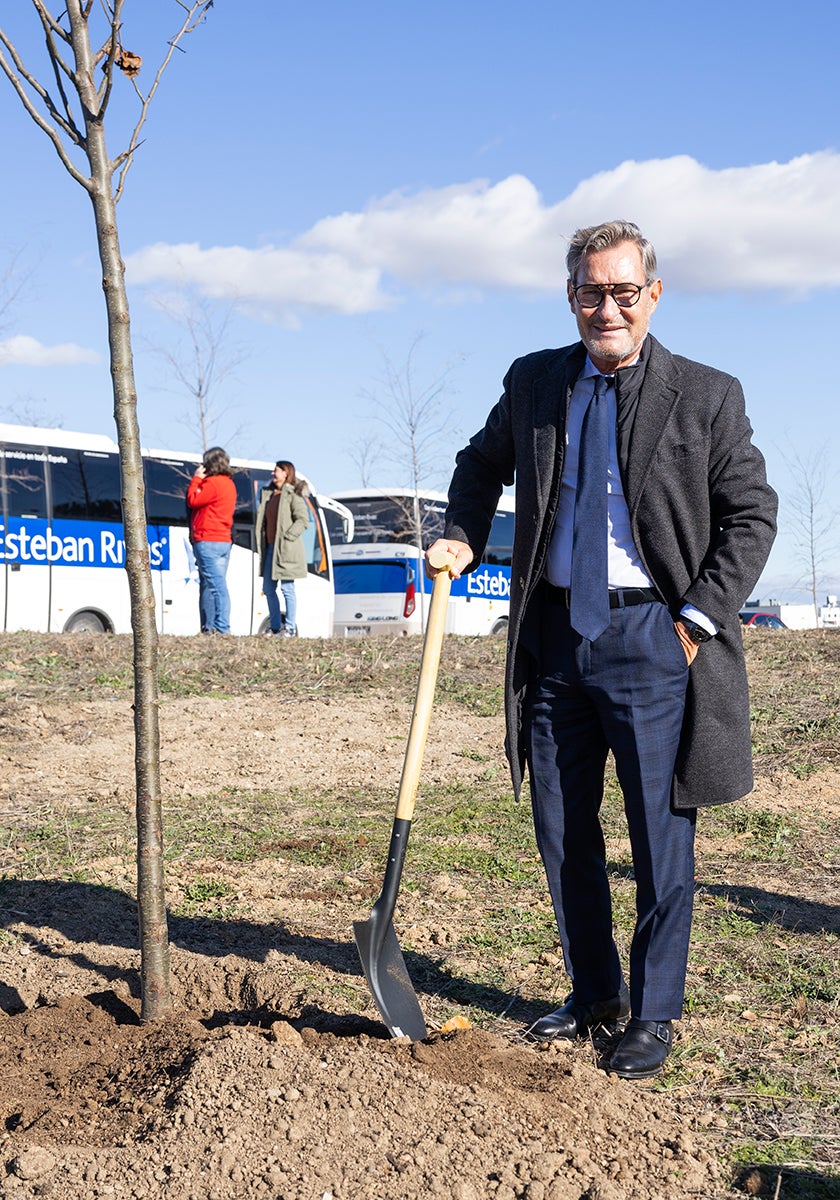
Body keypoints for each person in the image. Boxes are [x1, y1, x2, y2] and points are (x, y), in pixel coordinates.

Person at [426, 220, 777, 1080]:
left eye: (624, 292)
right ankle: (595, 993)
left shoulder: (705, 394)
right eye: (591, 291)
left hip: (652, 638)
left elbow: (753, 513)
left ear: (652, 295)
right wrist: (463, 535)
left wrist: (694, 621)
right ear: (571, 294)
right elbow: (482, 463)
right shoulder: (536, 382)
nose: (607, 307)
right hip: (551, 639)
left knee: (660, 836)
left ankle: (653, 1014)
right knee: (561, 829)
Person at [186, 446, 237, 634]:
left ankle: (222, 627)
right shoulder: (230, 484)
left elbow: (193, 500)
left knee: (216, 586)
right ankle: (208, 627)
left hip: (207, 539)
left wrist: (197, 479)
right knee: (211, 584)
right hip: (224, 540)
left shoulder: (212, 483)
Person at [256, 460, 310, 637]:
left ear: (286, 473)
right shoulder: (269, 494)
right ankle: (275, 627)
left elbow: (303, 520)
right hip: (270, 548)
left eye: (276, 470)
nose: (273, 473)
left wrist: (287, 537)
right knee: (269, 589)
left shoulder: (293, 494)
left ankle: (290, 628)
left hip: (286, 549)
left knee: (287, 588)